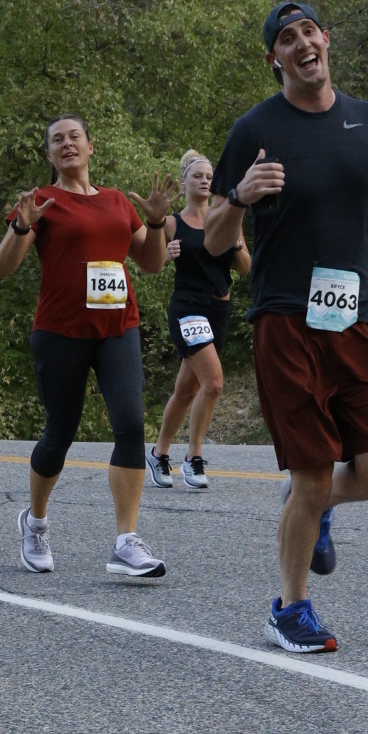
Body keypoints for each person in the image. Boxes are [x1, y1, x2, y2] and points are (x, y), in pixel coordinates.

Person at [205, 1, 368, 654]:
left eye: (309, 32)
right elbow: (213, 239)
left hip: (355, 316)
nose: (301, 44)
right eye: (286, 39)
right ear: (274, 58)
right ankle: (290, 609)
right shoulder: (255, 129)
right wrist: (239, 197)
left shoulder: (365, 120)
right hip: (285, 319)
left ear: (326, 40)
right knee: (312, 476)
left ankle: (319, 505)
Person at [0, 114, 172, 579]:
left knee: (131, 425)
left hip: (118, 328)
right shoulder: (41, 202)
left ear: (91, 146)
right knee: (60, 433)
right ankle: (35, 523)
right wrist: (21, 227)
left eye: (75, 137)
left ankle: (126, 541)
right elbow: (2, 268)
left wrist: (155, 222)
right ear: (49, 154)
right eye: (58, 140)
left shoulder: (116, 201)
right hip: (60, 332)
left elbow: (151, 263)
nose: (67, 144)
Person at [148, 150, 251, 492]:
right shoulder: (172, 223)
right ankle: (193, 457)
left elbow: (245, 268)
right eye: (198, 176)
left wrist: (236, 241)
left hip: (219, 309)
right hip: (187, 307)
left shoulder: (226, 218)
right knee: (214, 383)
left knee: (187, 389)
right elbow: (150, 262)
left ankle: (158, 453)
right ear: (184, 183)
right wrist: (166, 255)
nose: (205, 181)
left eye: (209, 176)